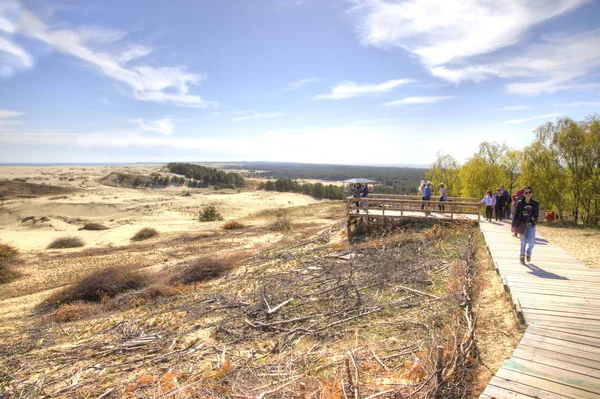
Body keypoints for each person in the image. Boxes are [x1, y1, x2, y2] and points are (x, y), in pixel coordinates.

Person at [512, 186, 539, 265]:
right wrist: (513, 225)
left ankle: (529, 253)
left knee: (531, 242)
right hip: (521, 224)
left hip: (531, 225)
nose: (528, 194)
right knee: (523, 242)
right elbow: (516, 214)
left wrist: (535, 221)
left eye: (529, 192)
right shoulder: (520, 203)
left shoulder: (535, 203)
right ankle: (522, 256)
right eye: (526, 192)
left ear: (531, 193)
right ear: (523, 193)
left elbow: (536, 215)